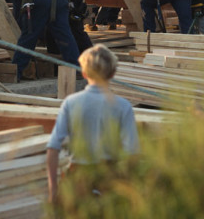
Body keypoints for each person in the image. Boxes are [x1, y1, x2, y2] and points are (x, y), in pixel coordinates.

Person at [46, 45, 139, 202]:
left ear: (83, 73)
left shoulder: (71, 102)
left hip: (77, 179)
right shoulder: (123, 106)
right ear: (113, 73)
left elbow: (53, 149)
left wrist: (53, 190)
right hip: (109, 180)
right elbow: (132, 154)